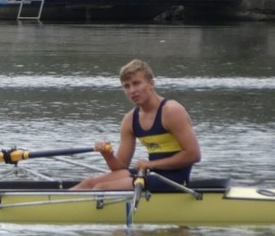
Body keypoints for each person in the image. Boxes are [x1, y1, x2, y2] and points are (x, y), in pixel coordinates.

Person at [72, 59, 200, 191]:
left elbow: (193, 154)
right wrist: (107, 154)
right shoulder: (130, 119)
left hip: (175, 180)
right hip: (150, 174)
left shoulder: (171, 111)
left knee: (101, 188)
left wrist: (151, 164)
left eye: (136, 83)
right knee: (89, 183)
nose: (132, 91)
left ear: (151, 83)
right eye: (126, 86)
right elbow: (121, 167)